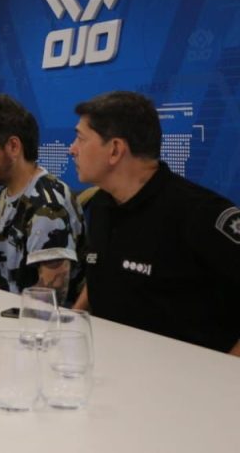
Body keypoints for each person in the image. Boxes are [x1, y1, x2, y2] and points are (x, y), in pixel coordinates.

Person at [69, 91, 240, 355]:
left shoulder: (200, 213)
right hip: (110, 364)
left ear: (115, 150)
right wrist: (71, 324)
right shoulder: (102, 204)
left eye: (81, 138)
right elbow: (101, 273)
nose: (72, 149)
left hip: (186, 376)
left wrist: (228, 370)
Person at [0, 94, 82, 303]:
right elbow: (0, 268)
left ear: (13, 146)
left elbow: (51, 296)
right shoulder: (5, 195)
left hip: (34, 319)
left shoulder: (47, 204)